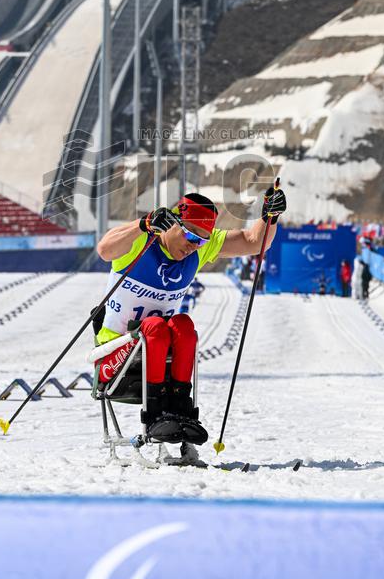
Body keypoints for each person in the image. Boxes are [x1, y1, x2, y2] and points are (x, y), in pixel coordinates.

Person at [95, 186, 287, 445]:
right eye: (189, 235)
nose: (193, 245)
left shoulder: (197, 250)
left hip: (160, 357)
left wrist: (269, 217)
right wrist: (143, 224)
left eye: (202, 241)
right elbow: (105, 250)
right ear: (173, 222)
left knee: (183, 325)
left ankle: (181, 410)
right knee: (155, 326)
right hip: (114, 356)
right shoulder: (142, 240)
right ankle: (155, 415)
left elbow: (252, 242)